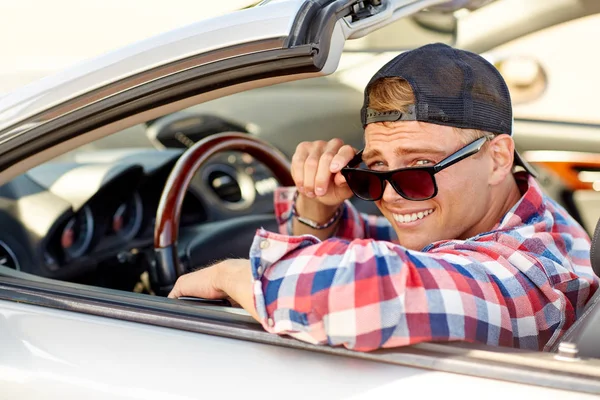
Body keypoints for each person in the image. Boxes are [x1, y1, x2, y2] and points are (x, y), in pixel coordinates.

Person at [169, 43, 599, 352]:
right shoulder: (523, 214)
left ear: (498, 158)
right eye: (373, 170)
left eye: (417, 167)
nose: (392, 195)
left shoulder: (533, 275)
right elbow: (415, 252)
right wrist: (319, 204)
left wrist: (228, 275)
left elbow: (369, 290)